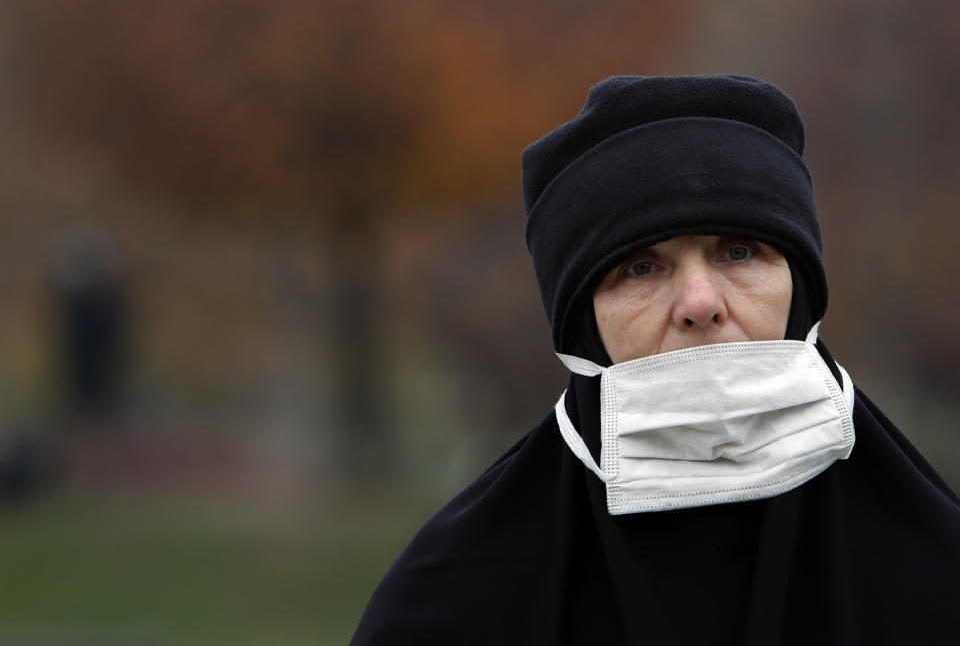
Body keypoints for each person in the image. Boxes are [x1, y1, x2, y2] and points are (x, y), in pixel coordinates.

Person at [350, 75, 960, 644]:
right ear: (580, 324)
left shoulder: (938, 571)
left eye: (740, 251)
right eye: (640, 267)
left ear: (801, 289)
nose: (699, 303)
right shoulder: (452, 605)